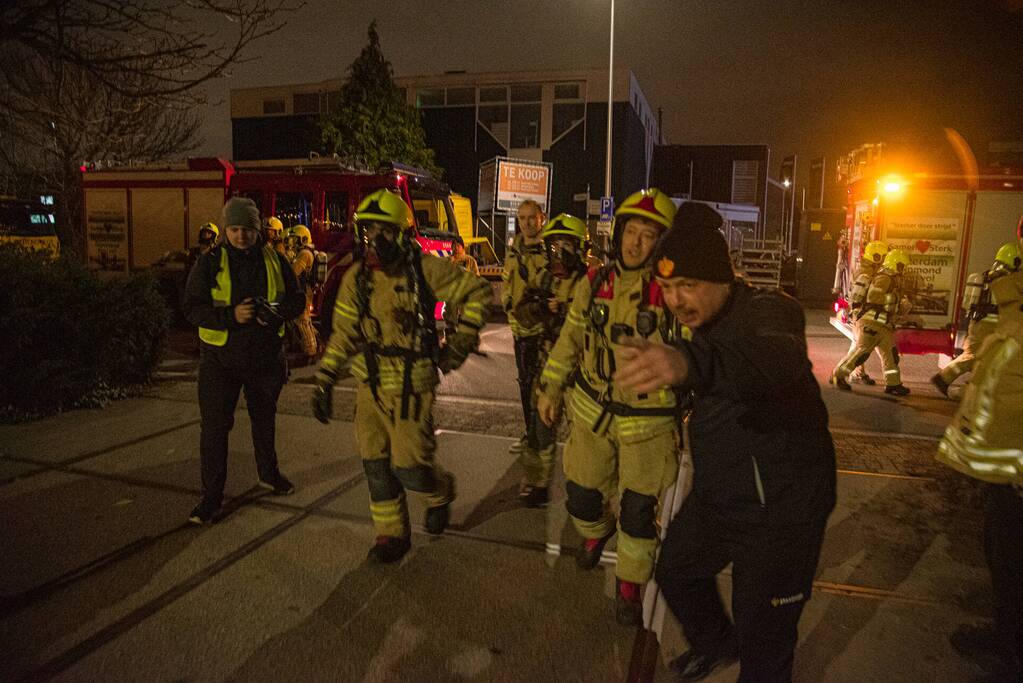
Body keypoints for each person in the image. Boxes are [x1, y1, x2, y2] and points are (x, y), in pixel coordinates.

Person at [614, 206, 836, 681]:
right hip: (722, 497)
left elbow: (769, 361)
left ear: (722, 279)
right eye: (668, 288)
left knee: (767, 642)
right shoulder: (703, 329)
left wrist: (687, 366)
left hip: (781, 514)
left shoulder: (768, 312)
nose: (676, 299)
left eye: (688, 285)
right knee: (675, 570)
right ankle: (717, 644)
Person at [310, 190, 491, 564]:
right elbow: (343, 334)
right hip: (370, 385)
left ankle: (439, 492)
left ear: (404, 235)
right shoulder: (357, 279)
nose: (375, 240)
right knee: (375, 467)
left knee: (410, 468)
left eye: (385, 231)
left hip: (411, 384)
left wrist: (458, 345)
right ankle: (392, 536)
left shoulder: (425, 269)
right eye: (368, 231)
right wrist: (325, 379)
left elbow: (477, 292)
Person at [536, 189, 681, 626]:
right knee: (580, 497)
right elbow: (569, 340)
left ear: (661, 244)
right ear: (617, 234)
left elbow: (698, 356)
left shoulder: (673, 293)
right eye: (630, 232)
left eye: (648, 236)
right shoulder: (595, 282)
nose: (635, 244)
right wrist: (551, 388)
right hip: (592, 411)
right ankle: (597, 534)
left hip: (649, 424)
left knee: (638, 514)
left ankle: (629, 585)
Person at [182, 198, 305, 524]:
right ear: (225, 230)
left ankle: (269, 474)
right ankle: (211, 498)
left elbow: (297, 299)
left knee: (264, 420)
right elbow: (192, 308)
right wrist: (230, 316)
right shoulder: (210, 263)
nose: (241, 236)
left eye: (247, 230)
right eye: (234, 229)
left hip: (263, 359)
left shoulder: (275, 260)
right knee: (215, 429)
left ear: (257, 230)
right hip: (219, 362)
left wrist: (276, 312)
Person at [936, 221, 1023, 678]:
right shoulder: (1015, 301)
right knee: (1004, 556)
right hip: (1006, 474)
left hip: (1016, 477)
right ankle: (1008, 633)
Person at [511, 213, 589, 508]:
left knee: (584, 436)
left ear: (580, 249)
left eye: (565, 245)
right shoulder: (543, 278)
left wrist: (569, 310)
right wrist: (542, 308)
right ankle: (539, 484)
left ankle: (585, 489)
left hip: (583, 374)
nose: (558, 253)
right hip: (547, 368)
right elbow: (522, 310)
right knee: (540, 430)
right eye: (553, 246)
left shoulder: (592, 282)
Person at [931, 242, 1021, 396]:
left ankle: (968, 389)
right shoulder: (1003, 280)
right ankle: (943, 379)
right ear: (1014, 260)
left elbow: (969, 305)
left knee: (985, 358)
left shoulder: (987, 277)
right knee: (974, 356)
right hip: (986, 325)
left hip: (981, 324)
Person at [831, 248, 913, 395]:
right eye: (903, 265)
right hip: (872, 323)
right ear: (897, 264)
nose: (904, 269)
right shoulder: (884, 278)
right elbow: (874, 297)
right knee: (860, 353)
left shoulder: (892, 278)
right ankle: (838, 376)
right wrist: (895, 300)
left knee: (891, 356)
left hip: (883, 326)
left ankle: (893, 384)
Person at [502, 200, 548, 457]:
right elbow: (508, 285)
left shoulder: (549, 249)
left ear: (542, 217)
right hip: (520, 332)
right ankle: (531, 435)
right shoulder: (513, 250)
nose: (527, 223)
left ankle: (541, 440)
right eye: (522, 218)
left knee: (543, 389)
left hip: (542, 333)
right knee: (525, 386)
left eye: (532, 218)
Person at [843, 240, 889, 386]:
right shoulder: (867, 272)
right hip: (864, 314)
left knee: (858, 345)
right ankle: (845, 373)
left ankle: (856, 373)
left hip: (861, 313)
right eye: (882, 256)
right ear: (876, 256)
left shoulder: (866, 268)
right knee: (860, 346)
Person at [285, 224, 320, 364]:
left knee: (303, 321)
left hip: (304, 292)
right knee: (305, 321)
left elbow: (294, 272)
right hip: (305, 291)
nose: (293, 242)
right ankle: (316, 345)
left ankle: (310, 353)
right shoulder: (306, 252)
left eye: (296, 239)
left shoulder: (304, 254)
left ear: (304, 239)